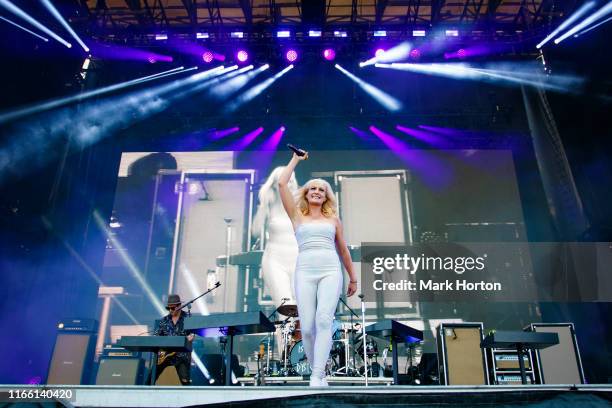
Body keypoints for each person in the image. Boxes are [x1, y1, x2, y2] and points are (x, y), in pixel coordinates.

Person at [278, 151, 358, 386]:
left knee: (324, 319)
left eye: (321, 190)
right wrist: (296, 159)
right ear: (306, 193)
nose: (316, 191)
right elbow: (282, 183)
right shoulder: (296, 216)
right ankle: (316, 371)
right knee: (308, 326)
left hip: (330, 271)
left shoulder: (333, 221)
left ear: (326, 197)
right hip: (304, 272)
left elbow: (343, 251)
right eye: (312, 188)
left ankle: (317, 374)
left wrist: (353, 278)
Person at [252, 167, 299, 307]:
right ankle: (286, 328)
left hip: (299, 261)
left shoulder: (301, 204)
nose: (288, 184)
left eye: (291, 181)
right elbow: (255, 231)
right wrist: (263, 205)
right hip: (275, 261)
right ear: (275, 184)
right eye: (285, 180)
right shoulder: (269, 205)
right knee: (286, 307)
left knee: (302, 306)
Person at [148, 294, 195, 385]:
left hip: (181, 356)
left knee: (185, 383)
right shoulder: (164, 320)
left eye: (172, 308)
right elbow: (156, 336)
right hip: (165, 355)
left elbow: (192, 333)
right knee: (150, 379)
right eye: (168, 308)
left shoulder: (188, 318)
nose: (170, 310)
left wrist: (191, 337)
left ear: (179, 306)